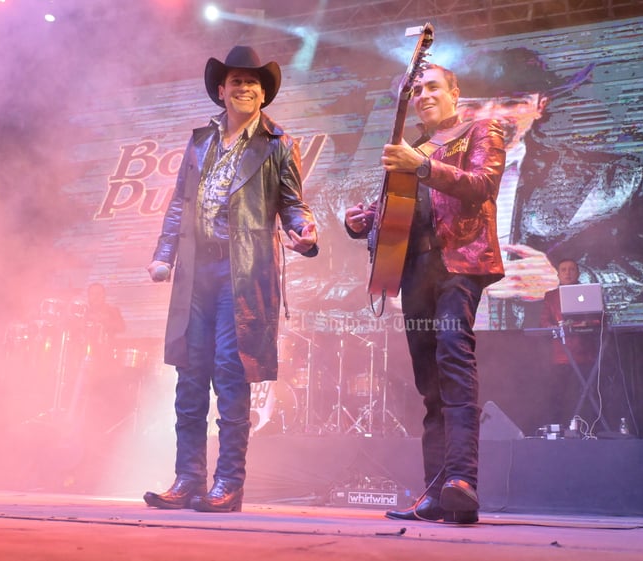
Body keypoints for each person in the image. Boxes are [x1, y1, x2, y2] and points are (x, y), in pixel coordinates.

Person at [143, 45, 319, 513]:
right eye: (236, 81)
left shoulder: (278, 143)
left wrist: (303, 230)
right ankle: (187, 478)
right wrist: (163, 255)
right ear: (221, 91)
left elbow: (292, 202)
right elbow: (180, 202)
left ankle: (229, 483)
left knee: (230, 370)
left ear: (263, 96)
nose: (244, 88)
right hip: (195, 270)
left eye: (253, 83)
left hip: (243, 272)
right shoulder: (200, 140)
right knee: (190, 374)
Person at [457, 48, 643, 329]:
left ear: (541, 104)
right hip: (438, 344)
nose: (488, 118)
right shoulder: (421, 180)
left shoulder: (616, 177)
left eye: (512, 103)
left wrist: (570, 282)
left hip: (551, 349)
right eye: (473, 106)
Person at [344, 63, 505, 524]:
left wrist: (425, 166)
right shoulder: (410, 147)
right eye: (417, 90)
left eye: (433, 87)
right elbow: (392, 208)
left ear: (456, 92)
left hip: (459, 265)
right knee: (430, 383)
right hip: (415, 272)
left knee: (454, 357)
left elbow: (482, 186)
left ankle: (462, 480)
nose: (424, 95)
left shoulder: (480, 130)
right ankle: (438, 494)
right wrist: (363, 219)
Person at [537, 258, 600, 426]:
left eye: (571, 269)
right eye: (564, 269)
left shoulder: (588, 292)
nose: (568, 273)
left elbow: (599, 319)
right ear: (558, 274)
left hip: (586, 354)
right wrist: (557, 327)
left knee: (587, 395)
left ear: (578, 273)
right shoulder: (550, 296)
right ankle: (555, 431)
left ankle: (591, 431)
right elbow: (544, 323)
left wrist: (588, 324)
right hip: (562, 355)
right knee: (557, 395)